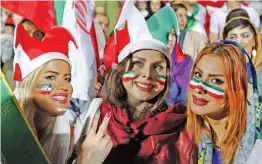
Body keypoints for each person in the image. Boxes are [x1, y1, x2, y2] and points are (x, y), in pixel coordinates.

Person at [95, 2, 196, 163]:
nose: (148, 75)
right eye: (137, 63)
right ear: (121, 69)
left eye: (157, 67)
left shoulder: (182, 127)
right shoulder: (95, 118)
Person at [12, 23, 112, 164]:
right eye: (50, 77)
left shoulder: (72, 129)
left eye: (67, 78)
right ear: (27, 84)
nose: (65, 86)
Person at [187, 41, 261, 164]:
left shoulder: (258, 145)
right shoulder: (183, 136)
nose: (200, 87)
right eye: (198, 74)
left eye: (216, 81)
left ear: (239, 90)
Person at [222, 9, 262, 98]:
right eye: (232, 37)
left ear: (254, 40)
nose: (239, 41)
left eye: (245, 36)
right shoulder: (217, 68)